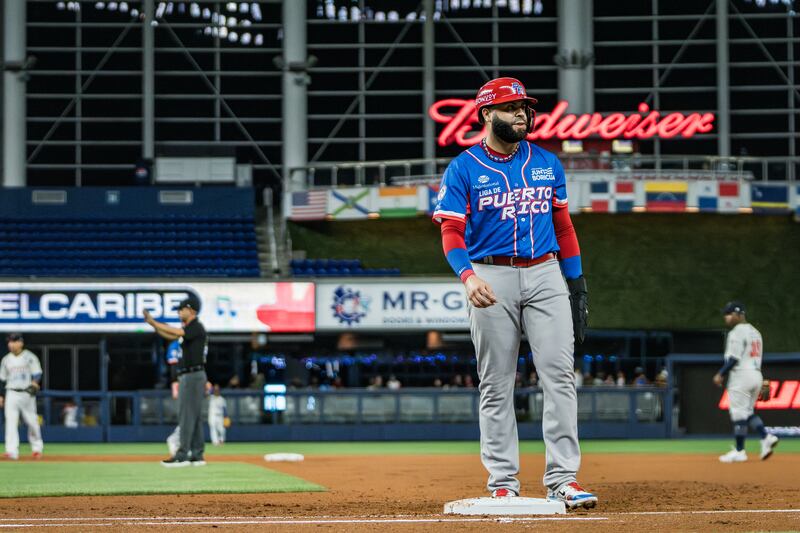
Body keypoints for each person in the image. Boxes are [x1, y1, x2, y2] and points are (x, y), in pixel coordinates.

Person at [433, 77, 595, 509]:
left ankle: (563, 478)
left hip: (545, 273)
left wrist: (575, 285)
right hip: (491, 276)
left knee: (559, 375)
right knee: (496, 382)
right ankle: (503, 481)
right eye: (511, 107)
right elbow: (451, 231)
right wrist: (468, 277)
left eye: (525, 107)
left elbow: (564, 227)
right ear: (486, 114)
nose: (522, 113)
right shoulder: (463, 168)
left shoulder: (547, 163)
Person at [145, 296, 208, 467]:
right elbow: (170, 335)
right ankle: (197, 454)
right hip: (191, 375)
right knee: (193, 416)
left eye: (182, 309)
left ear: (192, 310)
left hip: (193, 375)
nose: (179, 312)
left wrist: (154, 321)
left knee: (186, 415)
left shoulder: (196, 326)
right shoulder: (188, 329)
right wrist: (153, 325)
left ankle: (182, 454)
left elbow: (176, 333)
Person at [713, 301, 778, 463]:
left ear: (737, 314)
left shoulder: (737, 332)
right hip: (756, 374)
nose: (726, 317)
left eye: (728, 314)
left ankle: (740, 451)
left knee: (738, 413)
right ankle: (765, 437)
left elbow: (734, 359)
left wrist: (720, 373)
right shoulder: (756, 332)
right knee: (747, 412)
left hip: (741, 375)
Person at [0, 333, 44, 460]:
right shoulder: (6, 360)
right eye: (9, 342)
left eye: (14, 341)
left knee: (32, 421)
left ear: (21, 343)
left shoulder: (29, 357)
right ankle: (12, 451)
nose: (11, 344)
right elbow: (2, 380)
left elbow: (37, 373)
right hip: (11, 392)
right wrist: (1, 396)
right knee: (11, 422)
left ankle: (37, 448)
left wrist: (35, 382)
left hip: (26, 393)